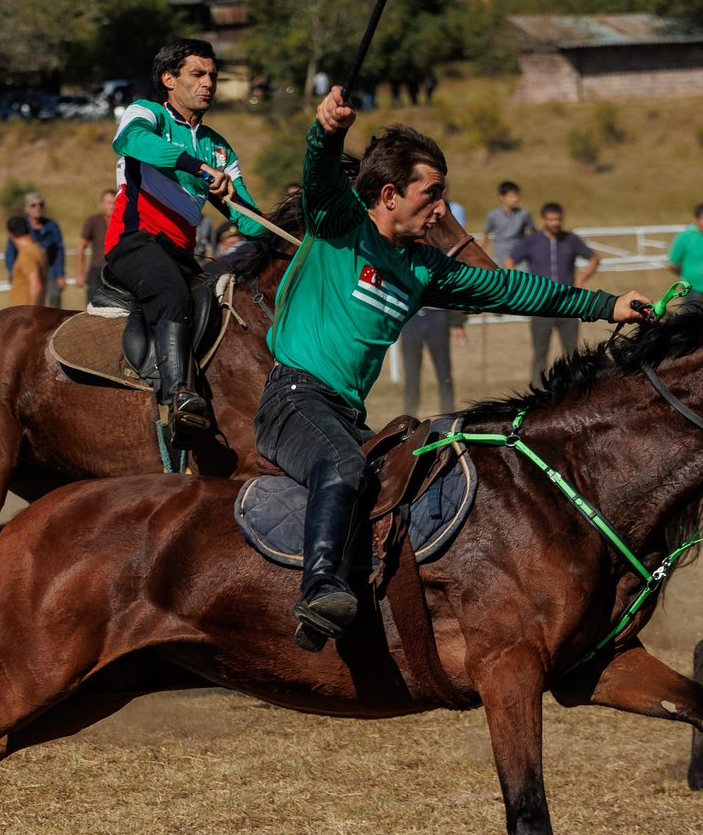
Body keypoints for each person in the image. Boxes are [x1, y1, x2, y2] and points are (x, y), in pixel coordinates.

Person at [258, 91, 649, 648]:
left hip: (346, 412)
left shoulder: (422, 268)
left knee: (403, 485)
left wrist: (605, 305)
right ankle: (319, 590)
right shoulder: (341, 225)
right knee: (344, 469)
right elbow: (319, 176)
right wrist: (326, 132)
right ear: (390, 195)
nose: (442, 209)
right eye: (432, 193)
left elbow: (512, 288)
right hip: (293, 399)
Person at [97, 38, 274, 428]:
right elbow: (129, 141)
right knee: (172, 293)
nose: (207, 82)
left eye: (212, 75)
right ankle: (180, 398)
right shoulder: (146, 114)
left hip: (181, 254)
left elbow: (245, 217)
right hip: (134, 242)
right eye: (197, 74)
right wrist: (197, 167)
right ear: (169, 79)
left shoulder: (219, 149)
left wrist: (289, 238)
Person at [509, 203, 600, 382]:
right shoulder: (532, 241)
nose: (555, 223)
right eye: (551, 219)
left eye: (558, 219)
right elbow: (510, 260)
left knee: (572, 352)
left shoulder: (571, 239)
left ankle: (574, 388)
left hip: (568, 305)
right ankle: (538, 390)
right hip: (541, 306)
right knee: (540, 352)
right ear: (543, 220)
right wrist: (522, 287)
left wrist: (580, 280)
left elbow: (594, 259)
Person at [77, 189, 111, 290]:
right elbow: (81, 245)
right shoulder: (93, 221)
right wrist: (80, 273)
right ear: (101, 205)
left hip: (116, 271)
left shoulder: (123, 222)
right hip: (96, 270)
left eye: (114, 203)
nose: (112, 206)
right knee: (93, 303)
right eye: (109, 203)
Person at [484, 181, 531, 251]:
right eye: (511, 196)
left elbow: (534, 232)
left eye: (517, 196)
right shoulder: (493, 215)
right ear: (502, 197)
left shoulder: (524, 213)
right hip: (501, 256)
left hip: (520, 254)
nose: (515, 199)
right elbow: (484, 236)